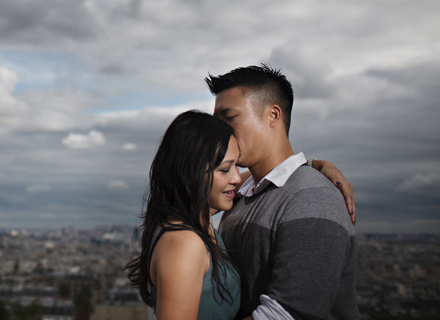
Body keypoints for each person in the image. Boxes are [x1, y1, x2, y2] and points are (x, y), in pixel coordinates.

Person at [207, 64, 359, 319]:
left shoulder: (313, 197)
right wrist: (314, 164)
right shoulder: (243, 196)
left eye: (229, 118)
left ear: (273, 115)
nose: (219, 132)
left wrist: (310, 170)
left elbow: (289, 314)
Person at [126, 110, 243, 320]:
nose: (236, 177)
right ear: (191, 173)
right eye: (225, 169)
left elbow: (261, 174)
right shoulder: (184, 244)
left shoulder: (194, 219)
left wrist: (308, 166)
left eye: (237, 165)